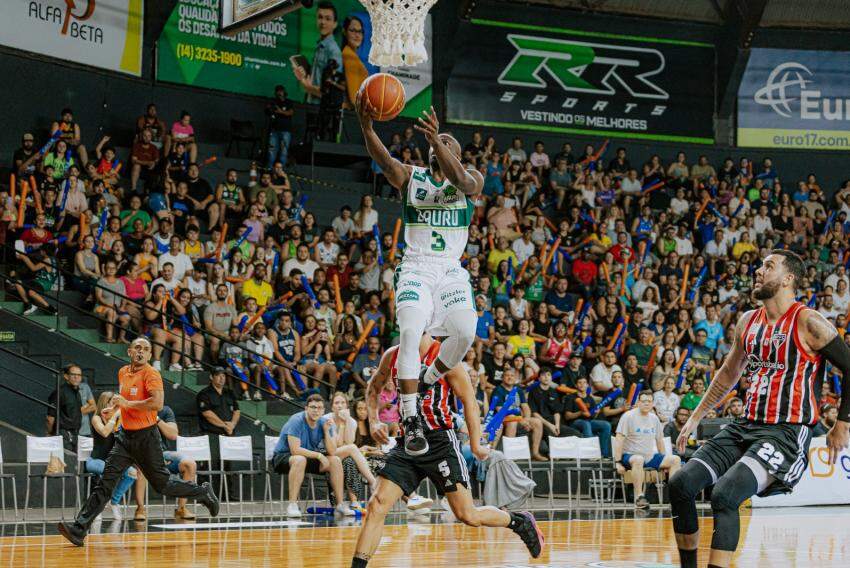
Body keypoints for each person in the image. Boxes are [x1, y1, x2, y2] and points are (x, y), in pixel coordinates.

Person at [670, 250, 850, 568]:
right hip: (745, 425)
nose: (758, 270)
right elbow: (728, 373)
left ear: (788, 278)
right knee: (681, 483)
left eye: (768, 266)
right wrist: (697, 414)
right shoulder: (747, 322)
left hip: (786, 432)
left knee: (725, 495)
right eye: (760, 265)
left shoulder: (809, 321)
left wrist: (843, 424)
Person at [356, 96, 484, 456]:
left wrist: (436, 141)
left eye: (447, 144)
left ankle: (428, 379)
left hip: (450, 270)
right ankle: (410, 416)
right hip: (416, 266)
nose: (439, 145)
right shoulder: (411, 178)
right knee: (411, 332)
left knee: (465, 332)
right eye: (436, 142)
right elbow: (384, 160)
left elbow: (459, 176)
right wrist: (367, 127)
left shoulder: (469, 179)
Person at [349, 336, 544, 567]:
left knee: (467, 515)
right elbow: (373, 388)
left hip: (439, 442)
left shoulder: (445, 356)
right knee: (376, 504)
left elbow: (469, 400)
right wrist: (373, 421)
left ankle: (519, 522)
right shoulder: (393, 355)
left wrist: (475, 444)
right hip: (407, 442)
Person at [58, 338, 219, 546]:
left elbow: (157, 403)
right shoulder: (123, 372)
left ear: (150, 355)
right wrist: (115, 409)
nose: (141, 352)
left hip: (147, 438)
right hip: (125, 438)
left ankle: (203, 492)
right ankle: (79, 530)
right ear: (129, 351)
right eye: (138, 348)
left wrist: (126, 403)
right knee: (105, 483)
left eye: (146, 349)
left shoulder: (151, 374)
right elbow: (125, 401)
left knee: (163, 485)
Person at [272, 394, 353, 518]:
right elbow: (295, 450)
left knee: (335, 460)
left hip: (307, 458)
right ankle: (292, 505)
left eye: (319, 408)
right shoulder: (296, 420)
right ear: (306, 408)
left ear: (323, 411)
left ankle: (340, 505)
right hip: (283, 457)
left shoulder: (324, 422)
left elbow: (332, 451)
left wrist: (326, 431)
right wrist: (319, 456)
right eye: (313, 407)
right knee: (299, 459)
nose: (316, 410)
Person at [614, 391, 681, 509]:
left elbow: (660, 441)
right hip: (630, 456)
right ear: (638, 402)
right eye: (644, 401)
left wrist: (663, 459)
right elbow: (619, 439)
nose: (646, 403)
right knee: (639, 459)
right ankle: (639, 497)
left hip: (650, 456)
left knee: (675, 459)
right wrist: (617, 462)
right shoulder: (628, 416)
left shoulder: (654, 418)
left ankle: (674, 497)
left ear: (652, 403)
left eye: (649, 401)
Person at [86, 391, 138, 521]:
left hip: (112, 461)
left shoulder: (119, 420)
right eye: (113, 402)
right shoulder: (96, 418)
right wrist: (114, 417)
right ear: (106, 403)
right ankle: (97, 507)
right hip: (96, 460)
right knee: (109, 471)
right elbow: (104, 433)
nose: (116, 405)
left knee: (132, 472)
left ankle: (114, 501)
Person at [293, 1, 342, 105]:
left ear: (335, 24)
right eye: (320, 17)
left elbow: (332, 94)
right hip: (311, 104)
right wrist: (302, 76)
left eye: (328, 19)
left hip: (321, 110)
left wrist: (307, 87)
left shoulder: (334, 51)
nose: (323, 22)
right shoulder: (320, 45)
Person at [46, 363, 84, 450]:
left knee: (74, 462)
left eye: (79, 375)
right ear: (66, 376)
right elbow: (50, 417)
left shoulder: (77, 393)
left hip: (75, 434)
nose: (76, 377)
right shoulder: (59, 392)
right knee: (65, 461)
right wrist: (50, 433)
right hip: (61, 434)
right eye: (73, 374)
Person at [266, 85, 294, 169]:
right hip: (274, 130)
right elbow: (268, 112)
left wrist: (280, 111)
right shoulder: (273, 102)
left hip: (285, 130)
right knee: (271, 151)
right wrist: (268, 108)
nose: (279, 93)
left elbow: (290, 113)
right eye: (277, 91)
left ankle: (281, 172)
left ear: (284, 92)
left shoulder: (289, 102)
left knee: (284, 152)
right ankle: (270, 170)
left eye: (281, 91)